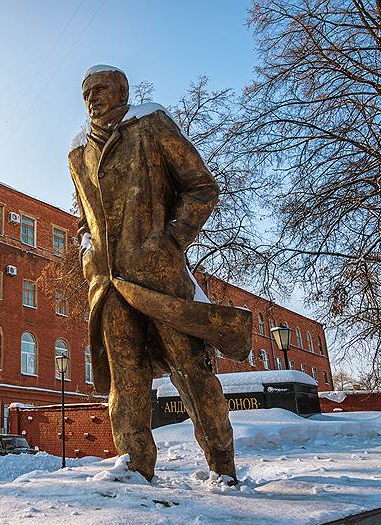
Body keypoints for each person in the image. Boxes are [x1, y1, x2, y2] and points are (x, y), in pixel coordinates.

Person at [68, 65, 251, 483]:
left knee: (192, 372)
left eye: (101, 89)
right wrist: (87, 250)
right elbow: (86, 217)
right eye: (87, 93)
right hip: (109, 284)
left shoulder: (150, 124)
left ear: (122, 91)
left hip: (160, 277)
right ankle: (135, 469)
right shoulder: (77, 153)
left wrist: (170, 241)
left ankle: (222, 466)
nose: (93, 97)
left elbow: (201, 186)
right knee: (125, 381)